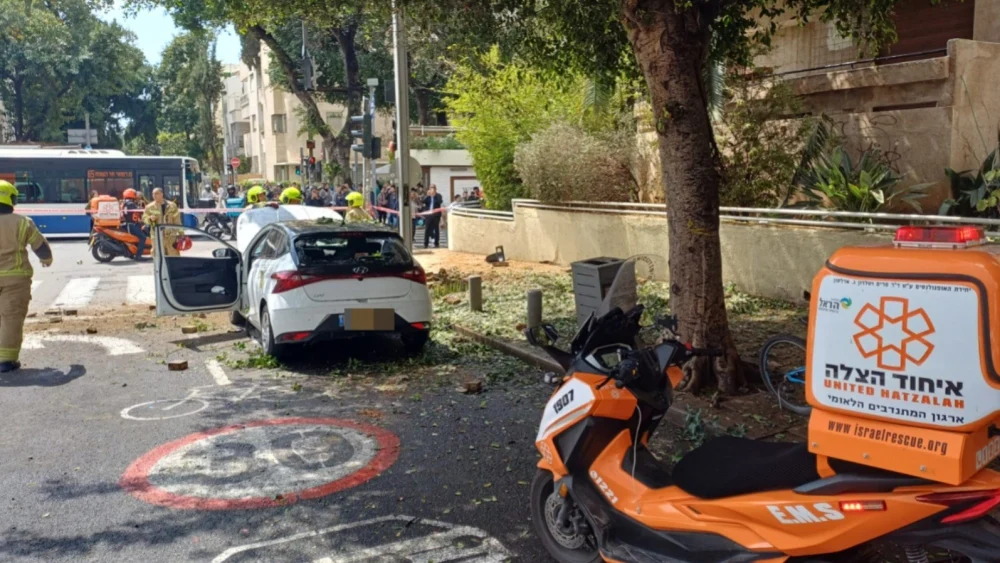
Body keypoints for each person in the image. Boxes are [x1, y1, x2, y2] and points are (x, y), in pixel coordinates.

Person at [0, 180, 53, 373]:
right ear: (11, 199)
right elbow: (40, 246)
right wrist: (47, 259)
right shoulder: (22, 222)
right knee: (11, 318)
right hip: (15, 280)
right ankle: (6, 360)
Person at [143, 188, 182, 257]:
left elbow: (177, 220)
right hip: (156, 236)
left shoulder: (172, 206)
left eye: (156, 193)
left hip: (170, 236)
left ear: (162, 194)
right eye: (153, 194)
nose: (154, 195)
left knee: (173, 255)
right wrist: (150, 219)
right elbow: (144, 218)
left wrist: (181, 233)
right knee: (158, 256)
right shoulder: (149, 207)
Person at [121, 189, 147, 260]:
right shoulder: (131, 204)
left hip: (129, 224)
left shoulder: (124, 203)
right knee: (143, 237)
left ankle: (131, 253)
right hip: (132, 225)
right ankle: (138, 256)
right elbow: (138, 211)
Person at [422, 184, 444, 249]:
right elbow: (423, 201)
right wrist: (427, 195)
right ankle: (426, 243)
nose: (432, 189)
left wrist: (434, 196)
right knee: (427, 229)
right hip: (428, 214)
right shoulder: (428, 196)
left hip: (436, 215)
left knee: (436, 229)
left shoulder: (438, 195)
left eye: (433, 188)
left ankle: (436, 243)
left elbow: (439, 202)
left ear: (435, 189)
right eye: (431, 188)